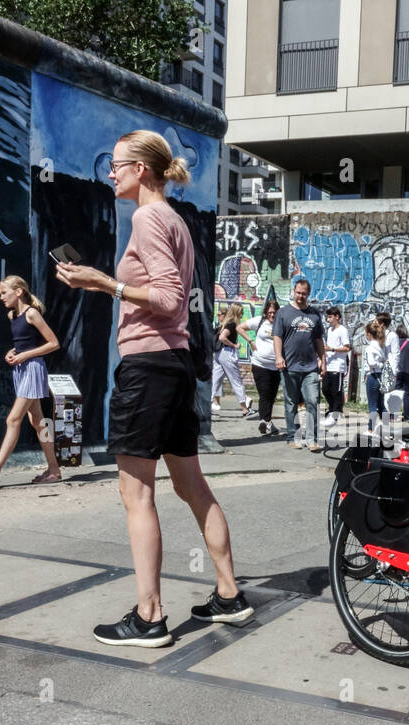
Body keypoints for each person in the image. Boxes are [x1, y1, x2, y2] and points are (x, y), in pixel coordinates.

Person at [55, 129, 253, 647]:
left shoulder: (147, 217)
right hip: (176, 363)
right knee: (191, 486)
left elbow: (166, 299)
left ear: (142, 168)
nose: (110, 173)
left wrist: (104, 283)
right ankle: (230, 595)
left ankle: (149, 617)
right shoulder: (177, 221)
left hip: (148, 366)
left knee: (135, 492)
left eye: (117, 164)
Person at [0, 276, 63, 485]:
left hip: (32, 369)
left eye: (4, 292)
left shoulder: (32, 313)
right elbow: (24, 343)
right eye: (1, 294)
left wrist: (23, 356)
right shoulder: (12, 315)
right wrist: (13, 353)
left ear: (18, 291)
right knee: (38, 422)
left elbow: (53, 343)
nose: (1, 297)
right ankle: (54, 471)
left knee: (13, 420)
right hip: (21, 369)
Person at [273, 277, 326, 452]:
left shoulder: (314, 314)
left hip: (310, 366)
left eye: (304, 293)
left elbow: (319, 340)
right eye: (298, 292)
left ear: (308, 294)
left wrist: (323, 360)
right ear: (293, 292)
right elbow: (277, 337)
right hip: (289, 366)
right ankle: (292, 436)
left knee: (312, 400)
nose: (300, 296)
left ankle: (312, 439)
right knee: (291, 402)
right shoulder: (283, 313)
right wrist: (278, 356)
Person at [243, 299, 282, 435]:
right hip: (260, 364)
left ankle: (267, 422)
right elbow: (239, 327)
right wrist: (250, 341)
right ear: (266, 312)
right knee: (265, 394)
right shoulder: (259, 321)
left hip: (276, 366)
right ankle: (264, 420)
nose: (272, 315)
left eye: (275, 312)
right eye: (270, 312)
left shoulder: (281, 323)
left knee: (271, 395)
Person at [210, 303, 255, 417]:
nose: (242, 314)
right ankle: (245, 409)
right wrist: (234, 345)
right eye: (241, 312)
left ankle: (205, 408)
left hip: (219, 354)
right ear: (236, 312)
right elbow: (222, 337)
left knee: (215, 381)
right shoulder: (231, 324)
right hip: (227, 354)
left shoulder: (225, 323)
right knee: (237, 381)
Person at [322, 306, 350, 428]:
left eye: (330, 317)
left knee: (336, 391)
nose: (328, 320)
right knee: (325, 389)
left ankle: (335, 413)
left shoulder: (342, 330)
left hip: (338, 365)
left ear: (337, 317)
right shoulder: (329, 330)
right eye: (327, 317)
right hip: (328, 365)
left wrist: (332, 349)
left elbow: (347, 347)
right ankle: (333, 409)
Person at [362, 318, 388, 433]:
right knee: (381, 404)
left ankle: (371, 429)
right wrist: (381, 365)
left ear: (368, 335)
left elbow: (372, 363)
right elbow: (384, 360)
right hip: (381, 376)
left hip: (373, 376)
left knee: (372, 405)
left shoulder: (369, 348)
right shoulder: (380, 346)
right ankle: (385, 426)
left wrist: (377, 365)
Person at [394, 324, 409, 422]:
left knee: (396, 394)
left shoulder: (394, 344)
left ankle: (395, 416)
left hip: (398, 371)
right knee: (406, 394)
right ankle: (408, 417)